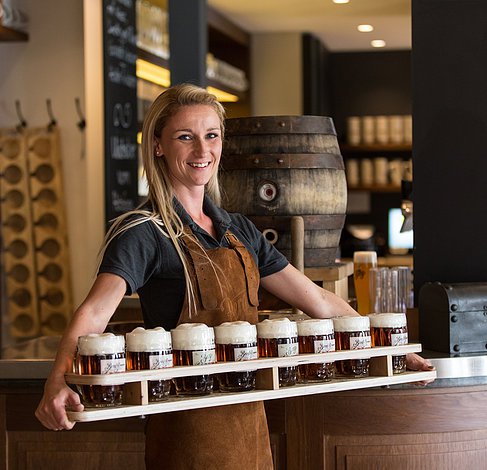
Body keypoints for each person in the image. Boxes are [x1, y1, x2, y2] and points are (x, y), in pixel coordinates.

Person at [35, 83, 433, 469]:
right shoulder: (145, 231)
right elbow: (92, 314)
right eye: (185, 137)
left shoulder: (237, 229)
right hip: (185, 427)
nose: (202, 150)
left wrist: (392, 352)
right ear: (157, 145)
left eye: (211, 135)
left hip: (249, 422)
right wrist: (57, 381)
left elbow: (318, 300)